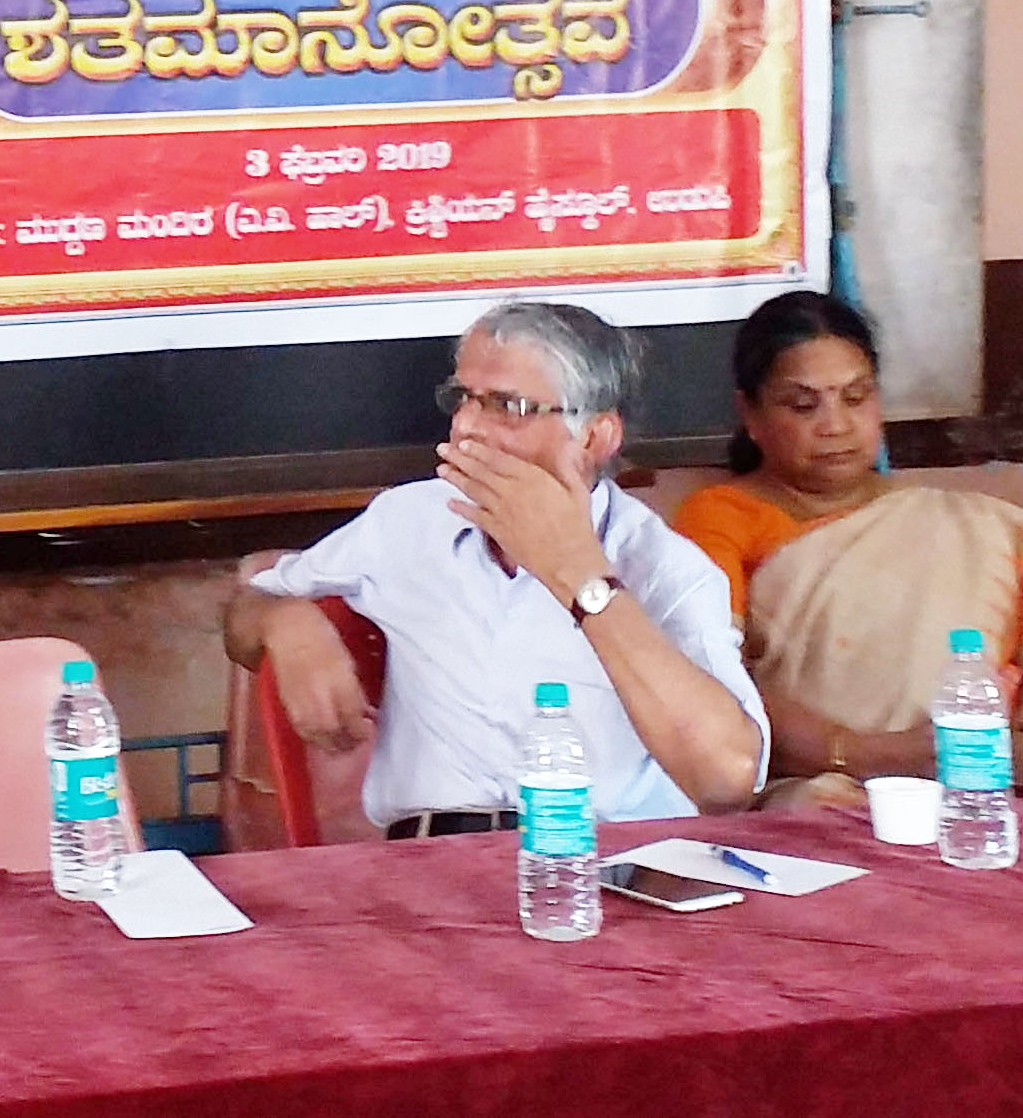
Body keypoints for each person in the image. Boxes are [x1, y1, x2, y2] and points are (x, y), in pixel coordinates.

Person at [226, 301, 767, 838]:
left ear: (594, 437)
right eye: (463, 398)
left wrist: (579, 574)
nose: (465, 428)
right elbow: (244, 611)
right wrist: (285, 623)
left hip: (598, 860)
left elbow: (726, 780)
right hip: (430, 857)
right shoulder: (410, 520)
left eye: (508, 406)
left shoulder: (664, 568)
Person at [668, 291, 1023, 807]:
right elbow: (717, 682)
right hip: (820, 783)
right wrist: (870, 754)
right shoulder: (720, 517)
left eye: (855, 397)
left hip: (984, 779)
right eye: (803, 405)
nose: (835, 425)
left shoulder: (964, 523)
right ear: (750, 414)